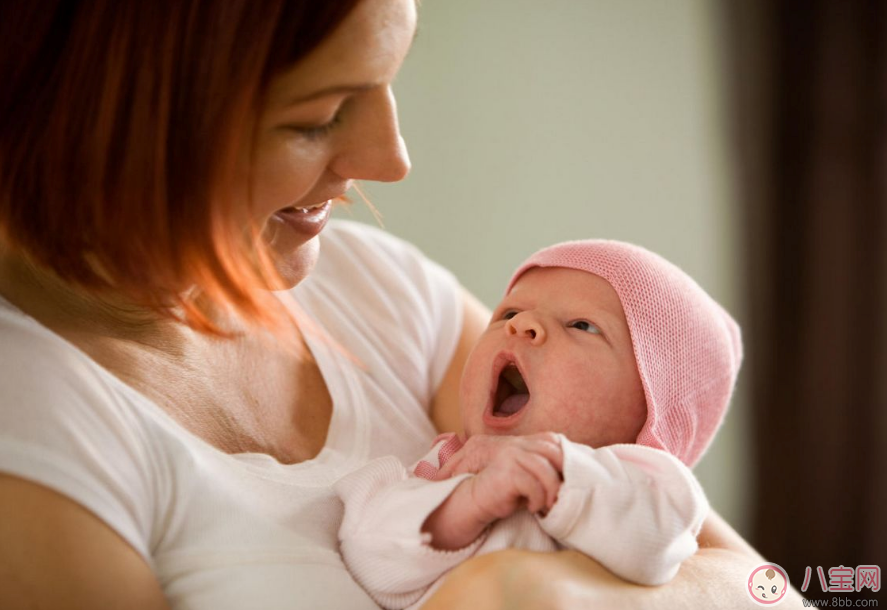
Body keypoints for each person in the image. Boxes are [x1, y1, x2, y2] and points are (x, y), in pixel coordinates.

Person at [0, 1, 804, 608]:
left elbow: (772, 592)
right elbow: (388, 537)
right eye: (317, 118)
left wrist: (525, 590)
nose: (391, 161)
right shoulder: (36, 426)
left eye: (388, 82)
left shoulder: (380, 292)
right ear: (111, 119)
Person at [336, 239, 741, 609]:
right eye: (509, 312)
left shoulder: (651, 486)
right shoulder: (446, 469)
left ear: (652, 410)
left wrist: (557, 474)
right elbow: (370, 559)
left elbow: (657, 545)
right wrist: (464, 506)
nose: (521, 324)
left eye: (582, 325)